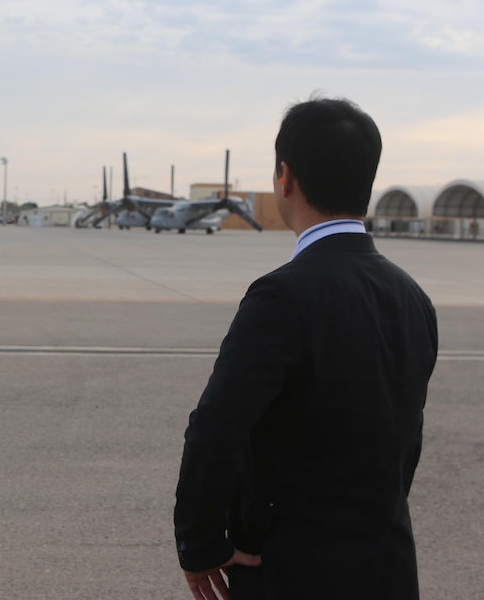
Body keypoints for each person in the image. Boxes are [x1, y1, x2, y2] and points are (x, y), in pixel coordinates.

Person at [174, 97, 438, 600]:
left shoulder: (282, 295)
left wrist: (201, 543)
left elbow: (215, 428)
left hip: (291, 568)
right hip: (387, 566)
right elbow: (405, 445)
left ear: (285, 177)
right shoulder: (413, 298)